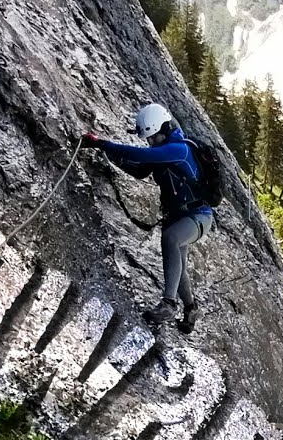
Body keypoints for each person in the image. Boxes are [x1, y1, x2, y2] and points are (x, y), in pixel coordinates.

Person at [80, 103, 213, 330]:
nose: (150, 142)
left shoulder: (179, 149)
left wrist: (103, 143)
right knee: (177, 262)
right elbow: (141, 170)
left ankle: (169, 304)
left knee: (171, 238)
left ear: (162, 129)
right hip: (183, 216)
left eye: (152, 137)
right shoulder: (166, 149)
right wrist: (107, 153)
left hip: (199, 216)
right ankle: (191, 310)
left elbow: (143, 154)